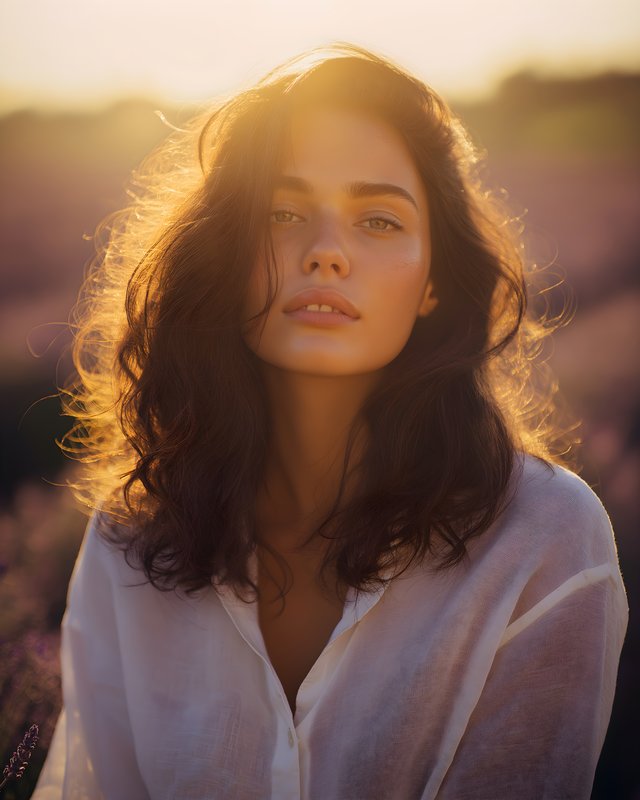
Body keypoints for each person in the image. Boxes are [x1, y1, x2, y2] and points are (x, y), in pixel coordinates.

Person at [33, 43, 628, 799]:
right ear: (227, 253)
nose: (326, 254)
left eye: (378, 221)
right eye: (282, 214)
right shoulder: (131, 538)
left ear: (434, 281)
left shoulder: (543, 538)